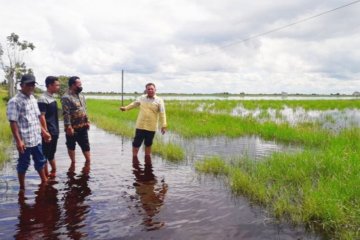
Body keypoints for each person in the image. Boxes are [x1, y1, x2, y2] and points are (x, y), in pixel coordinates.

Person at [6, 74, 51, 190]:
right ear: (21, 85)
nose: (31, 87)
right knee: (23, 165)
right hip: (24, 141)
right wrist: (19, 141)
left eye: (33, 84)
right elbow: (13, 122)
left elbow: (36, 119)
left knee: (40, 161)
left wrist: (44, 132)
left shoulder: (33, 99)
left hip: (36, 138)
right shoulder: (14, 101)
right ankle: (22, 188)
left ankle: (44, 181)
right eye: (28, 84)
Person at [120, 83, 167, 158]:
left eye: (152, 89)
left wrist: (164, 125)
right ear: (146, 90)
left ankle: (147, 159)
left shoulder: (159, 100)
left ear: (155, 90)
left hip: (151, 127)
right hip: (140, 125)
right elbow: (134, 104)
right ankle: (134, 158)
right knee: (136, 143)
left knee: (148, 144)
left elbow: (162, 113)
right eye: (148, 89)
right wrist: (125, 108)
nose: (150, 90)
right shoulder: (142, 98)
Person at [61, 76, 91, 164]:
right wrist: (68, 127)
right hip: (72, 128)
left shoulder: (81, 96)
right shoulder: (66, 97)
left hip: (83, 126)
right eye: (79, 84)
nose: (81, 86)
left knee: (86, 145)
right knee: (71, 146)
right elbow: (66, 113)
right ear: (73, 85)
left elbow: (84, 109)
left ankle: (88, 163)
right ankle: (73, 163)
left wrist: (87, 120)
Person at [37, 76, 60, 178]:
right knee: (45, 155)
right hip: (48, 132)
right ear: (49, 85)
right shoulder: (43, 99)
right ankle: (46, 179)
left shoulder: (51, 97)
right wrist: (45, 132)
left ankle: (53, 174)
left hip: (54, 131)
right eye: (57, 85)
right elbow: (41, 116)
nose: (58, 87)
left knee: (51, 153)